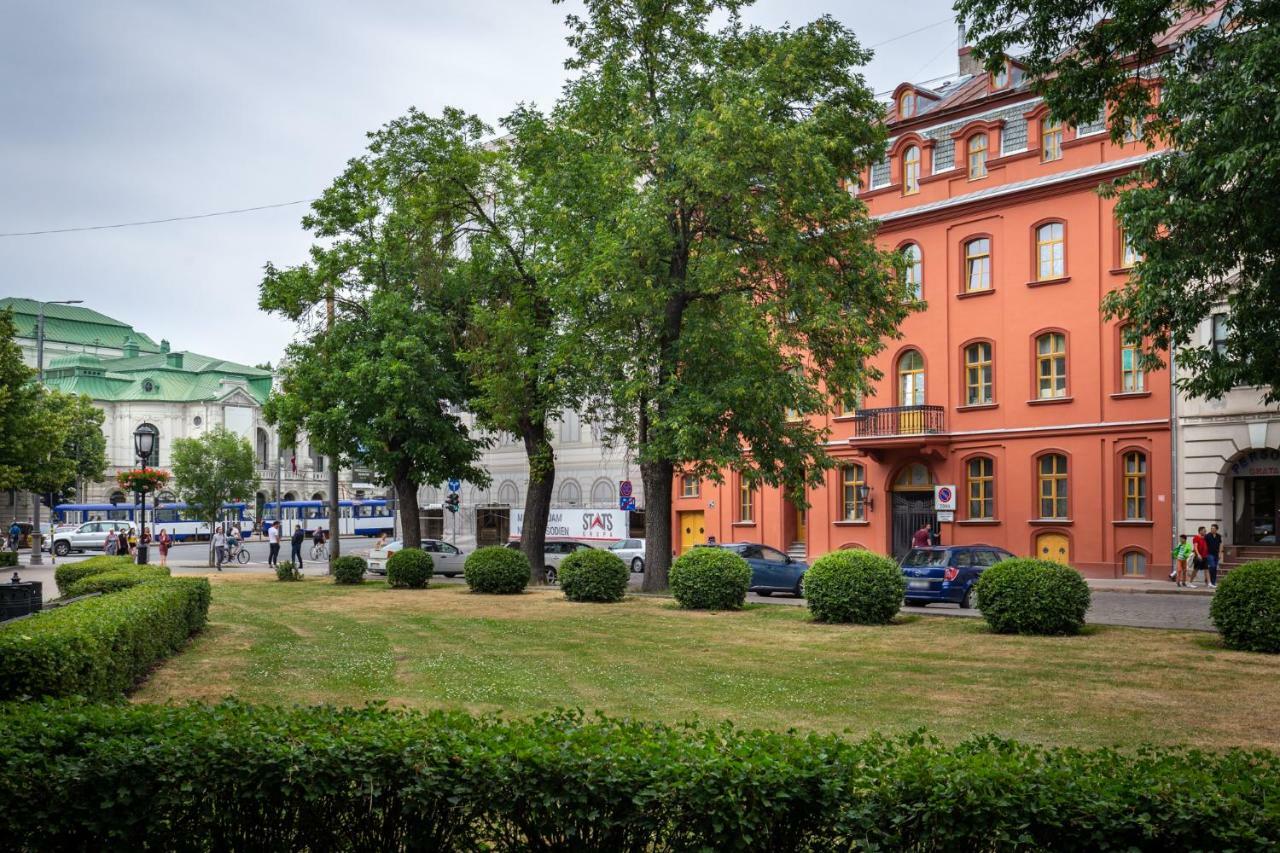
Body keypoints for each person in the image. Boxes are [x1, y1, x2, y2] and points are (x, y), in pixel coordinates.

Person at [1205, 523, 1222, 589]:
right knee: (1212, 566)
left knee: (1215, 568)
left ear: (1216, 529)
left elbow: (1220, 544)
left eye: (1213, 528)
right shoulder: (1207, 535)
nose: (1212, 529)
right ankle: (1209, 580)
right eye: (1211, 528)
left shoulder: (1218, 536)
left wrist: (1220, 553)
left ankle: (1213, 582)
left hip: (1216, 554)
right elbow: (1204, 544)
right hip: (1209, 554)